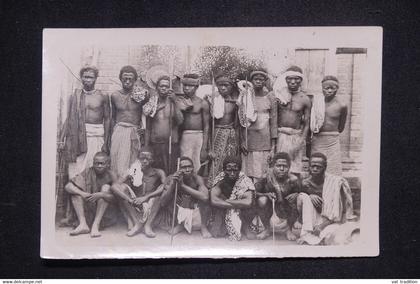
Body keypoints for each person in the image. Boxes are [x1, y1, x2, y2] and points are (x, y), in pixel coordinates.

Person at [292, 153, 358, 245]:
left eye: (318, 167)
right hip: (311, 218)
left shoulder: (335, 183)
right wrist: (310, 195)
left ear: (325, 167)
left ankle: (312, 234)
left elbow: (339, 211)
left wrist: (322, 226)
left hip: (330, 220)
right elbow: (300, 202)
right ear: (309, 167)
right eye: (312, 166)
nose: (315, 169)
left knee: (332, 236)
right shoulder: (305, 183)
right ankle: (306, 229)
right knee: (302, 196)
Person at [59, 65, 110, 179]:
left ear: (96, 78)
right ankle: (78, 193)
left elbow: (107, 119)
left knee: (95, 168)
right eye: (85, 77)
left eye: (90, 77)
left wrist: (106, 143)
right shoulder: (74, 96)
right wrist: (61, 139)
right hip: (76, 138)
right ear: (81, 78)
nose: (87, 80)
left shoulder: (103, 96)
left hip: (96, 136)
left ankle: (93, 195)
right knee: (77, 170)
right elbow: (70, 119)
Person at [110, 147, 166, 237]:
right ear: (138, 159)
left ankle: (148, 225)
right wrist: (129, 200)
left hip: (150, 203)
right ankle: (137, 223)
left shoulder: (159, 172)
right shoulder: (133, 170)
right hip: (135, 203)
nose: (144, 161)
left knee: (160, 190)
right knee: (122, 188)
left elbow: (165, 186)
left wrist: (146, 197)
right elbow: (114, 186)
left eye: (147, 158)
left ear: (153, 160)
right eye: (142, 158)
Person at [64, 152, 117, 237]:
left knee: (106, 188)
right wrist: (83, 193)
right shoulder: (88, 172)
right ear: (93, 163)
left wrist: (101, 195)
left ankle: (95, 225)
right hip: (88, 208)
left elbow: (116, 199)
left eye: (102, 163)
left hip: (104, 213)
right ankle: (83, 224)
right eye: (97, 163)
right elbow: (68, 186)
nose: (99, 166)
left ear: (107, 164)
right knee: (75, 193)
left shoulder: (112, 175)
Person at [110, 65, 149, 177]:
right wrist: (109, 138)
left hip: (134, 131)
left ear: (135, 80)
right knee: (116, 160)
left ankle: (130, 189)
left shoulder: (141, 95)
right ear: (120, 79)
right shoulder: (114, 96)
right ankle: (118, 186)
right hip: (118, 132)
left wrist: (143, 130)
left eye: (130, 79)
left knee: (133, 161)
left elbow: (147, 112)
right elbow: (112, 117)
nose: (127, 81)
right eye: (124, 79)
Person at [160, 156, 212, 238]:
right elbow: (163, 202)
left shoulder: (197, 178)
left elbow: (205, 197)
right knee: (170, 196)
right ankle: (180, 225)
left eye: (189, 167)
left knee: (204, 198)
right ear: (178, 169)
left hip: (196, 210)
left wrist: (183, 186)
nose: (187, 170)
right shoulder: (171, 178)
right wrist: (173, 185)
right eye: (184, 167)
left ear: (193, 168)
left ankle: (203, 227)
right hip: (180, 210)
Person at [239, 70, 277, 181]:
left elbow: (274, 122)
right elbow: (241, 120)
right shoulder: (245, 96)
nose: (258, 82)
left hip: (264, 140)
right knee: (247, 172)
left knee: (262, 173)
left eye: (261, 79)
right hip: (249, 139)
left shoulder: (270, 97)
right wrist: (242, 140)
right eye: (256, 79)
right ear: (251, 81)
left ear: (265, 81)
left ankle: (260, 194)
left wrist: (273, 146)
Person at [254, 152, 300, 240]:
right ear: (273, 166)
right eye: (278, 166)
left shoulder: (293, 180)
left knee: (298, 199)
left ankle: (289, 229)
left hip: (286, 207)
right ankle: (267, 229)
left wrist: (296, 194)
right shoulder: (266, 178)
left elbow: (303, 193)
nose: (282, 169)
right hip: (270, 207)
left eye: (285, 166)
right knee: (262, 200)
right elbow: (254, 192)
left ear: (289, 167)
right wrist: (266, 194)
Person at [209, 156, 256, 241]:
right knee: (218, 233)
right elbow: (214, 200)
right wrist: (234, 205)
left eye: (235, 170)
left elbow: (248, 202)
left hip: (241, 209)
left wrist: (229, 201)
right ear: (224, 170)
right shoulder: (220, 180)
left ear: (239, 170)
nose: (232, 173)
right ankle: (225, 223)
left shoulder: (245, 180)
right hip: (226, 208)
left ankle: (245, 226)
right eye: (229, 170)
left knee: (252, 205)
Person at [276, 66, 311, 176]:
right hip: (280, 135)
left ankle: (295, 191)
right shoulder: (279, 96)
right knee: (279, 166)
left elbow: (307, 123)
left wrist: (301, 140)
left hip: (296, 136)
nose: (293, 82)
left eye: (296, 79)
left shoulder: (305, 99)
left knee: (295, 168)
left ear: (301, 80)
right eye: (290, 79)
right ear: (285, 79)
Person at [206, 74, 240, 187]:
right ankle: (213, 186)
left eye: (226, 85)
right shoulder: (212, 101)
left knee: (230, 161)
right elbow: (209, 126)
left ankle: (228, 187)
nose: (223, 88)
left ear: (231, 87)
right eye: (220, 85)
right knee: (215, 160)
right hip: (217, 133)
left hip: (231, 135)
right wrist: (209, 147)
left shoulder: (236, 103)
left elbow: (237, 124)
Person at [145, 75, 184, 174]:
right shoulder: (152, 103)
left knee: (171, 171)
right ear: (157, 87)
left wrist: (175, 102)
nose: (164, 88)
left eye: (166, 86)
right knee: (157, 172)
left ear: (170, 88)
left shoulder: (173, 102)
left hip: (171, 144)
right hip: (156, 144)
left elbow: (180, 121)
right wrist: (146, 146)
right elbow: (148, 127)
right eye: (161, 86)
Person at [310, 75, 348, 175]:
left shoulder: (342, 105)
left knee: (333, 168)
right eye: (327, 88)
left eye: (333, 88)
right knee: (316, 166)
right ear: (322, 89)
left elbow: (341, 127)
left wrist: (331, 134)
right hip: (317, 139)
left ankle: (332, 190)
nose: (329, 91)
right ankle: (316, 190)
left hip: (332, 140)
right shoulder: (316, 102)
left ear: (337, 89)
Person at [179, 73, 210, 173]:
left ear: (196, 87)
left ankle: (196, 184)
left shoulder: (203, 103)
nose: (187, 88)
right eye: (185, 85)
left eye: (190, 86)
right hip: (184, 136)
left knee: (197, 163)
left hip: (198, 136)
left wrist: (204, 147)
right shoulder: (179, 101)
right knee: (185, 161)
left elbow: (206, 126)